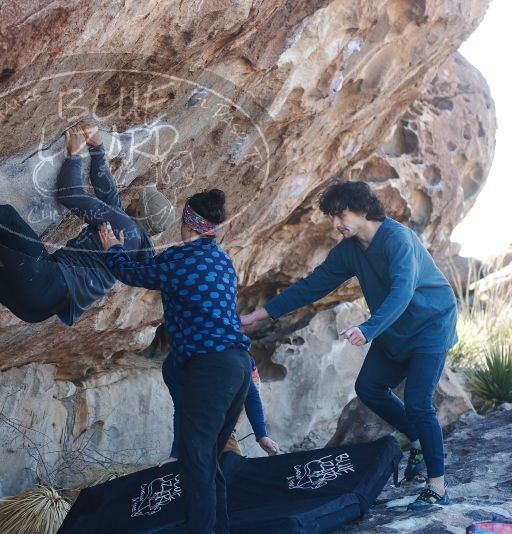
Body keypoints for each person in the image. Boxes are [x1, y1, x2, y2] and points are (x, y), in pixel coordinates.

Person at [240, 181, 458, 511]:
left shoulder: (398, 240)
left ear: (362, 209)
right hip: (393, 327)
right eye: (332, 217)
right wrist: (260, 314)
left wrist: (368, 329)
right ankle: (416, 439)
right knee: (369, 387)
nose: (335, 224)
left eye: (340, 215)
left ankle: (437, 487)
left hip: (430, 326)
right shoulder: (350, 250)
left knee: (417, 402)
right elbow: (314, 285)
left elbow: (402, 291)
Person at [0, 121, 175, 327]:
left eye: (139, 200)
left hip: (48, 282)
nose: (134, 198)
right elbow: (109, 198)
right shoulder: (132, 240)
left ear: (139, 211)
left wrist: (74, 154)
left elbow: (71, 195)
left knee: (5, 217)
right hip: (38, 310)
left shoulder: (123, 226)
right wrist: (98, 148)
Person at [100, 189, 251, 534]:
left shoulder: (180, 261)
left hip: (210, 369)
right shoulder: (223, 260)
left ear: (188, 223)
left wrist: (112, 249)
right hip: (238, 365)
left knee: (196, 460)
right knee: (209, 459)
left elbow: (133, 273)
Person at [160, 352, 280, 466]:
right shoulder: (172, 368)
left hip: (242, 379)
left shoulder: (228, 357)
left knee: (224, 433)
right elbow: (182, 409)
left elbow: (250, 394)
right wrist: (175, 454)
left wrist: (262, 435)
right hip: (214, 378)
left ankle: (236, 478)